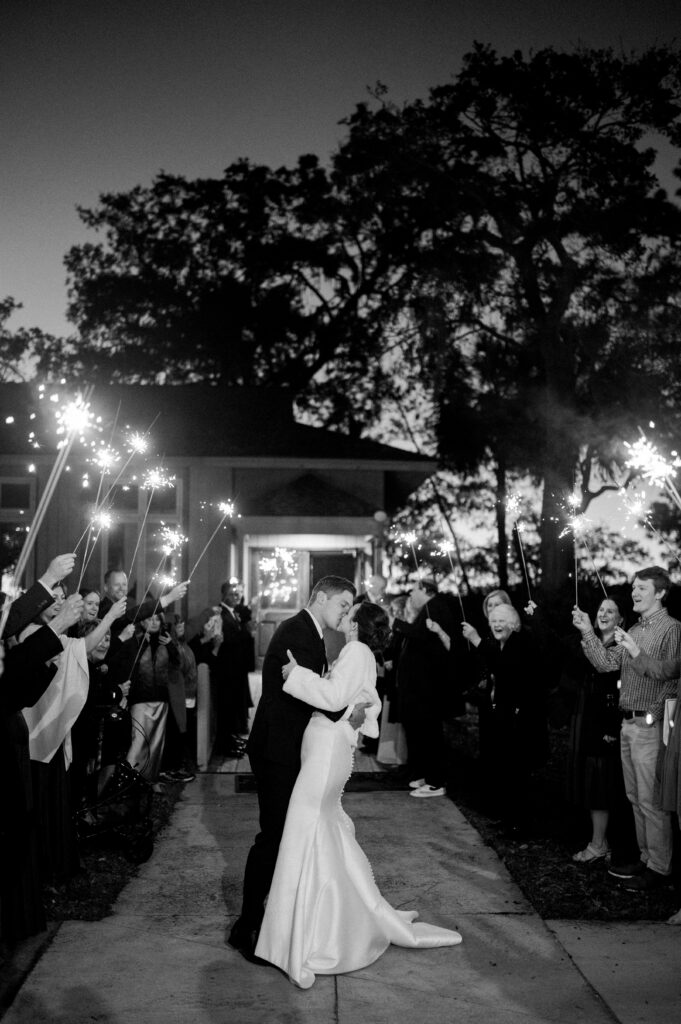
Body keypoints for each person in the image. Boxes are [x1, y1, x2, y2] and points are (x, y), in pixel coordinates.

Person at [255, 601, 462, 987]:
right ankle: (334, 920)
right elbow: (366, 699)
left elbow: (334, 698)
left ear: (355, 625)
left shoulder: (355, 651)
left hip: (324, 756)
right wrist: (355, 714)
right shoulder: (362, 654)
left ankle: (300, 939)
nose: (345, 614)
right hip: (326, 750)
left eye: (350, 612)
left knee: (304, 829)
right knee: (320, 833)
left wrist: (296, 674)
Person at [229, 576, 364, 961]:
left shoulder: (309, 630)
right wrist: (345, 708)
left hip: (285, 747)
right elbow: (307, 692)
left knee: (282, 836)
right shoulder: (297, 631)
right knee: (271, 837)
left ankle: (272, 920)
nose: (345, 612)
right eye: (342, 604)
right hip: (276, 750)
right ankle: (247, 927)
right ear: (320, 598)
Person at [572, 565, 680, 891]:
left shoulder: (672, 629)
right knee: (635, 797)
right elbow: (606, 663)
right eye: (634, 587)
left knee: (652, 800)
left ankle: (661, 869)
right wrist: (586, 633)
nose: (634, 592)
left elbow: (673, 680)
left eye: (642, 588)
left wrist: (654, 715)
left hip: (649, 725)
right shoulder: (634, 627)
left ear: (660, 593)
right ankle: (646, 860)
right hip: (627, 724)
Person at [463, 603, 549, 834]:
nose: (497, 625)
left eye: (502, 620)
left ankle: (521, 823)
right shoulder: (499, 645)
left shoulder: (521, 642)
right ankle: (508, 817)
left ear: (513, 623)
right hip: (505, 717)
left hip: (522, 721)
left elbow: (506, 669)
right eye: (494, 621)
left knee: (517, 772)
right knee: (506, 770)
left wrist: (476, 639)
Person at [393, 579, 456, 798]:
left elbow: (420, 636)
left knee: (429, 733)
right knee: (420, 732)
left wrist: (397, 623)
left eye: (415, 590)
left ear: (426, 591)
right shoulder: (430, 608)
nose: (411, 593)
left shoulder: (435, 607)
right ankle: (426, 775)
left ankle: (436, 781)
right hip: (419, 687)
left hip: (427, 688)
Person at [190, 580, 253, 757]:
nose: (237, 596)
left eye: (238, 593)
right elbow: (221, 641)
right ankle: (224, 745)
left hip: (236, 669)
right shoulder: (219, 614)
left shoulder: (234, 613)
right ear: (224, 595)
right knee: (226, 710)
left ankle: (231, 739)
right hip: (226, 670)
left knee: (233, 708)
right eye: (233, 593)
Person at [125, 612, 181, 783]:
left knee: (156, 743)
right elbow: (130, 665)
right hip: (140, 698)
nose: (154, 622)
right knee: (138, 740)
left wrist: (171, 645)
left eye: (158, 619)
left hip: (161, 698)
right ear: (142, 622)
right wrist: (142, 645)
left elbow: (177, 663)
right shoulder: (136, 639)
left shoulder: (166, 639)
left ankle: (152, 779)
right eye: (150, 619)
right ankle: (131, 778)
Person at [99, 569, 188, 637]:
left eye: (124, 584)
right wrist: (168, 598)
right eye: (116, 585)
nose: (121, 588)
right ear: (106, 587)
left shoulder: (123, 607)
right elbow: (132, 615)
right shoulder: (104, 608)